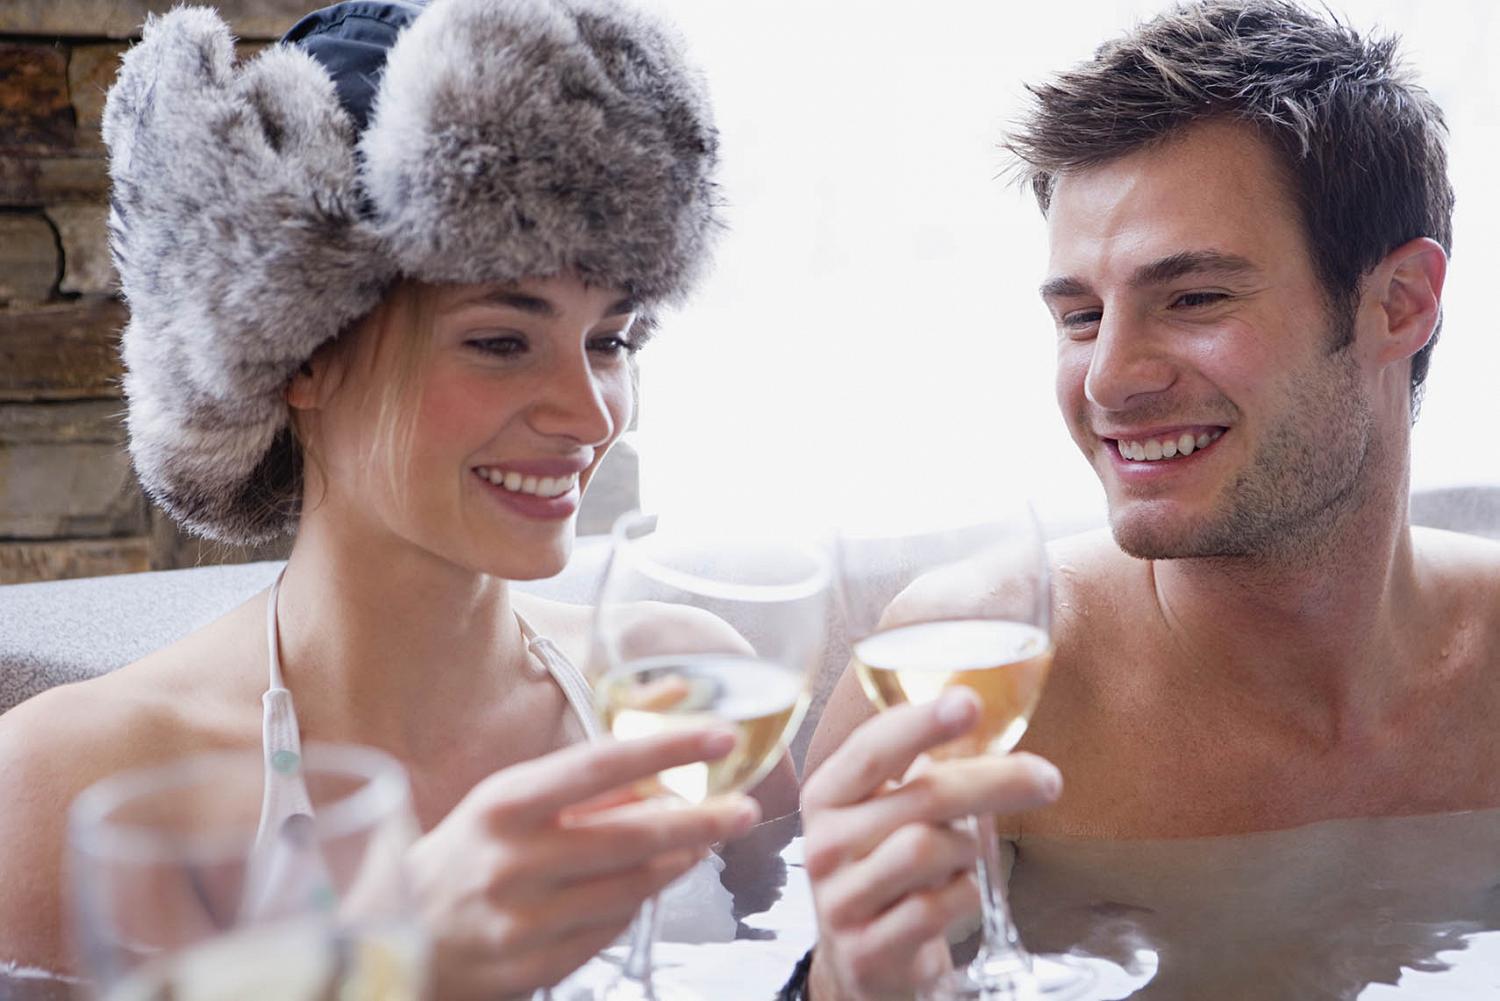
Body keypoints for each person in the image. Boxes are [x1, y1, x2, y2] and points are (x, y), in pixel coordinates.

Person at [0, 0, 785, 996]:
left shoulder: (687, 680)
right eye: (502, 340)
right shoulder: (72, 784)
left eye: (611, 340)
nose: (593, 416)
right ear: (297, 356)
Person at [799, 0, 1500, 997]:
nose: (1109, 378)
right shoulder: (978, 677)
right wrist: (841, 983)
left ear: (1399, 305)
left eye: (1195, 298)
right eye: (1081, 315)